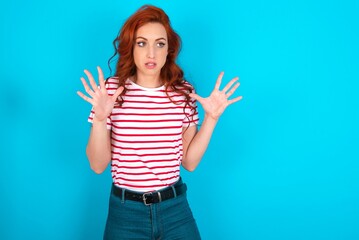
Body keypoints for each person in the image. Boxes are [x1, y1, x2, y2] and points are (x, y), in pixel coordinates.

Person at [77, 4, 242, 240]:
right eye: (142, 43)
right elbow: (97, 165)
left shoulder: (183, 93)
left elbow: (190, 162)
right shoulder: (112, 91)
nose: (151, 53)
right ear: (130, 48)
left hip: (175, 210)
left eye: (160, 44)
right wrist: (101, 119)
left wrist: (211, 119)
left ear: (169, 50)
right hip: (125, 214)